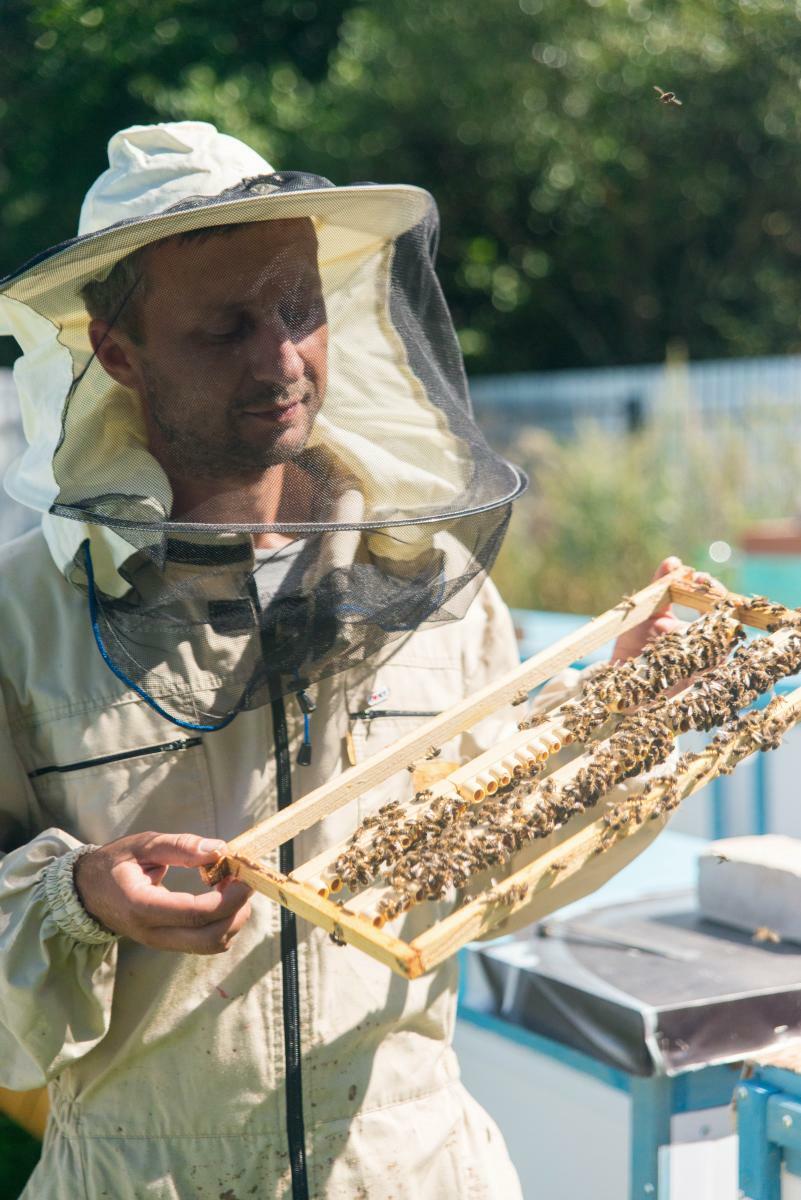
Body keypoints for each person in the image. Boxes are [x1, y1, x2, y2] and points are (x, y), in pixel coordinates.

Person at [0, 121, 683, 1199]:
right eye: (226, 326)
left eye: (299, 309)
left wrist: (615, 722)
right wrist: (77, 899)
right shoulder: (20, 617)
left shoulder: (433, 584)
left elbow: (494, 871)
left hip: (414, 1167)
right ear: (117, 352)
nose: (282, 359)